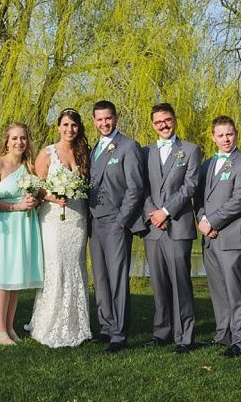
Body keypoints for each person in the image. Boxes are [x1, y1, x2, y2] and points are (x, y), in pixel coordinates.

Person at [197, 115, 241, 358]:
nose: (225, 139)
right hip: (210, 238)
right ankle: (223, 333)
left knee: (236, 290)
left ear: (236, 135)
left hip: (233, 236)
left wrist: (212, 221)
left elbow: (239, 201)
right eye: (221, 135)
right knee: (218, 289)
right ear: (213, 137)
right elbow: (200, 199)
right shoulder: (206, 165)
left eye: (229, 134)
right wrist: (203, 220)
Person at [0, 122, 43, 345]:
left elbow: (38, 193)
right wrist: (15, 207)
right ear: (6, 140)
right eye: (14, 138)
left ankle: (10, 326)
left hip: (23, 225)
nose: (19, 142)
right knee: (3, 279)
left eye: (23, 138)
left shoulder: (29, 165)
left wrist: (34, 201)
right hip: (2, 226)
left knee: (16, 279)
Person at [29, 108, 93, 348]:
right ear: (58, 126)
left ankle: (77, 324)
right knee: (55, 266)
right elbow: (36, 187)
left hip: (77, 218)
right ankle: (49, 323)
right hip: (54, 219)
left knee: (76, 266)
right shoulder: (47, 153)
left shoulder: (83, 152)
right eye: (66, 125)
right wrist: (55, 197)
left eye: (74, 125)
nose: (70, 130)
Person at [141, 103, 201, 353]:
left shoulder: (190, 150)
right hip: (153, 229)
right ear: (153, 124)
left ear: (175, 120)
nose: (163, 125)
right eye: (158, 122)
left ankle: (184, 335)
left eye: (167, 120)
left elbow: (191, 186)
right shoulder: (145, 152)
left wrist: (165, 212)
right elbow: (139, 187)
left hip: (178, 225)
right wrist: (152, 213)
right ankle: (161, 331)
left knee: (180, 281)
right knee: (159, 282)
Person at [88, 100, 146, 354]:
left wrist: (123, 220)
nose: (104, 123)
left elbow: (135, 187)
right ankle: (106, 326)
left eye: (108, 118)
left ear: (116, 117)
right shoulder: (94, 149)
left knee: (117, 278)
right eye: (99, 119)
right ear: (94, 121)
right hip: (94, 222)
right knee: (100, 278)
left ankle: (119, 334)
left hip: (116, 222)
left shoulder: (128, 146)